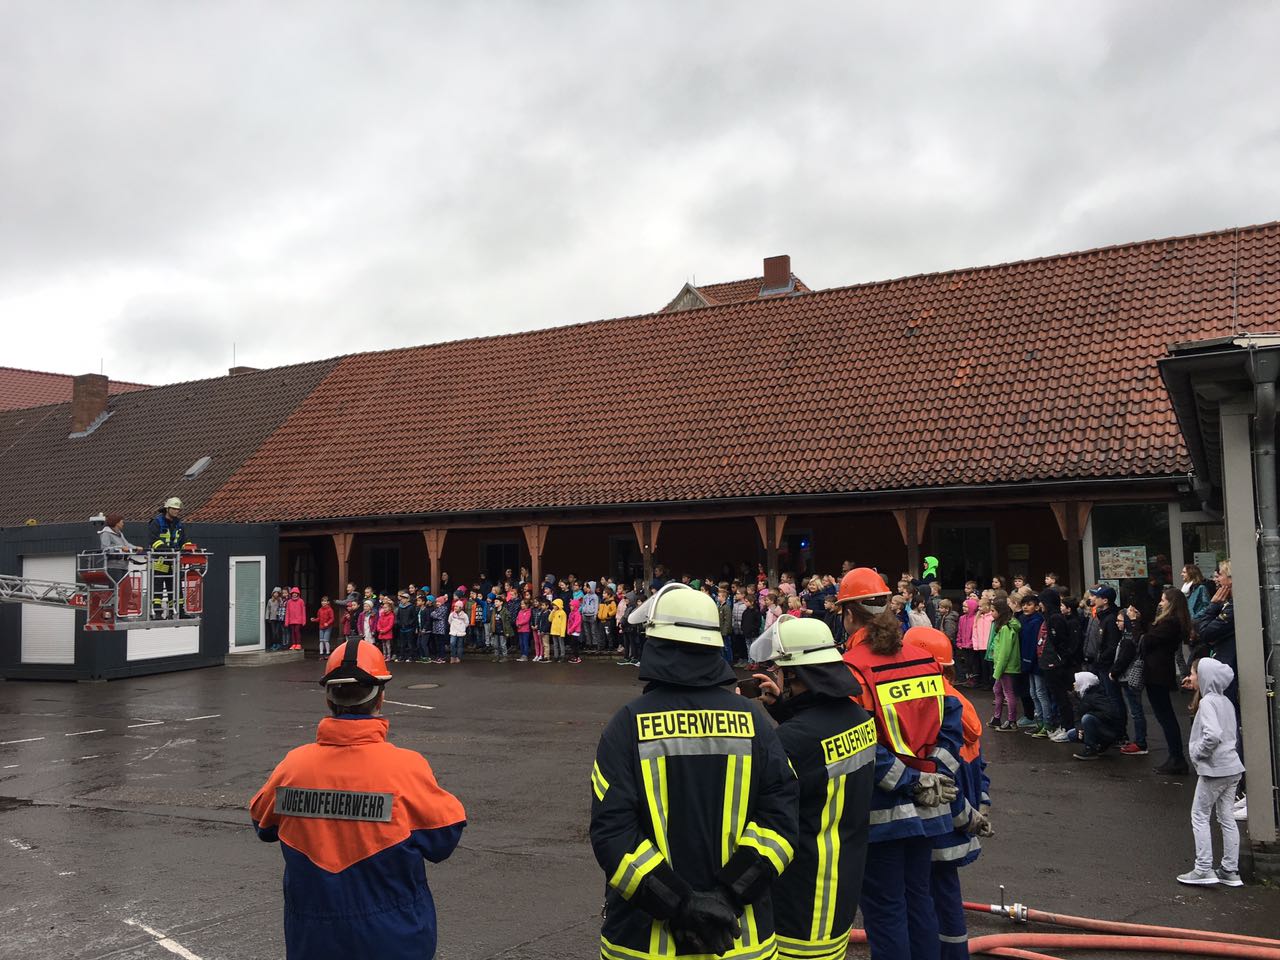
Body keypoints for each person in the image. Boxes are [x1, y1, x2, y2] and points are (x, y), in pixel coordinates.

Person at [590, 583, 798, 960]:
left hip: (645, 944)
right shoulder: (754, 722)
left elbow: (614, 833)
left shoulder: (627, 725)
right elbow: (780, 824)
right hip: (741, 942)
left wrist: (682, 904)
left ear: (657, 644)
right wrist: (728, 896)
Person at [250, 639, 466, 959]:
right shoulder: (405, 769)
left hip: (312, 942)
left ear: (329, 699)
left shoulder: (292, 768)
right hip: (395, 940)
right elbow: (444, 838)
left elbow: (262, 823)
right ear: (380, 697)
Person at [838, 569, 963, 960]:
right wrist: (932, 776)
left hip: (882, 813)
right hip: (931, 807)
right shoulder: (923, 659)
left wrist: (908, 781)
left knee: (886, 909)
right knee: (919, 899)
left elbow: (859, 746)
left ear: (848, 614)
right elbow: (952, 726)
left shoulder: (851, 668)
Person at [747, 615, 875, 960]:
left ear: (796, 675)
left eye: (780, 671)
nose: (776, 677)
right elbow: (818, 755)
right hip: (842, 882)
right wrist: (785, 710)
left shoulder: (794, 740)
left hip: (801, 896)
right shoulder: (858, 718)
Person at [908, 626, 992, 960]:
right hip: (958, 824)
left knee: (922, 902)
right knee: (946, 899)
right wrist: (979, 806)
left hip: (935, 824)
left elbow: (942, 772)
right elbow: (978, 765)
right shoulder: (960, 703)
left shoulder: (930, 706)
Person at [1176, 657, 1246, 886]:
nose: (1190, 677)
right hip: (1232, 767)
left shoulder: (1207, 703)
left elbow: (1212, 735)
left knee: (1199, 815)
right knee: (1226, 817)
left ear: (1204, 677)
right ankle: (1230, 869)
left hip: (1215, 769)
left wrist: (1198, 753)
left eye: (1193, 673)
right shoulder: (1226, 702)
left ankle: (1203, 868)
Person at [1143, 588, 1191, 774]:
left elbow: (1147, 640)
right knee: (1164, 715)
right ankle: (1175, 756)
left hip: (1158, 672)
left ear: (1171, 603)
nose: (1160, 603)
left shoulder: (1170, 623)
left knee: (1165, 716)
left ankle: (1177, 757)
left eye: (1163, 600)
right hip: (1159, 671)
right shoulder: (1172, 621)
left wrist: (1134, 623)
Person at [1071, 671, 1125, 760]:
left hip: (1109, 729)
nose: (1074, 684)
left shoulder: (1096, 696)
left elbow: (1110, 713)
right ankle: (1099, 745)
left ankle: (1091, 748)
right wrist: (1079, 728)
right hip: (1098, 726)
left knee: (1087, 718)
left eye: (1077, 681)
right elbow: (1077, 715)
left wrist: (1090, 716)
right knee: (1071, 734)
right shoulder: (1079, 695)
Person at [147, 497, 186, 616]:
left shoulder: (179, 524)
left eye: (178, 509)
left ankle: (179, 612)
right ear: (167, 509)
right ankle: (157, 613)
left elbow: (183, 540)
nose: (176, 511)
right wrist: (169, 550)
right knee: (157, 589)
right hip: (160, 561)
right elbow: (154, 541)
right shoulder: (156, 522)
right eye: (173, 509)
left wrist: (189, 548)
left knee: (176, 588)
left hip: (174, 561)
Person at [988, 598, 1021, 731]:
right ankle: (997, 718)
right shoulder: (1003, 626)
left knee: (1008, 693)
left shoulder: (1006, 628)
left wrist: (998, 669)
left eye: (993, 611)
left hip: (1006, 667)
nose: (991, 613)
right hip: (1002, 666)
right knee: (997, 690)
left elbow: (1004, 652)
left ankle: (1012, 721)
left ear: (1000, 612)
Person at [284, 588, 306, 652]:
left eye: (296, 593)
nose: (294, 594)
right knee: (292, 632)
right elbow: (287, 612)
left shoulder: (301, 601)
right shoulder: (289, 602)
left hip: (298, 620)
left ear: (298, 594)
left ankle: (298, 644)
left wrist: (303, 621)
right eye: (293, 593)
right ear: (291, 594)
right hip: (291, 620)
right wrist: (286, 621)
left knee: (297, 631)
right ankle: (293, 644)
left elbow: (303, 611)